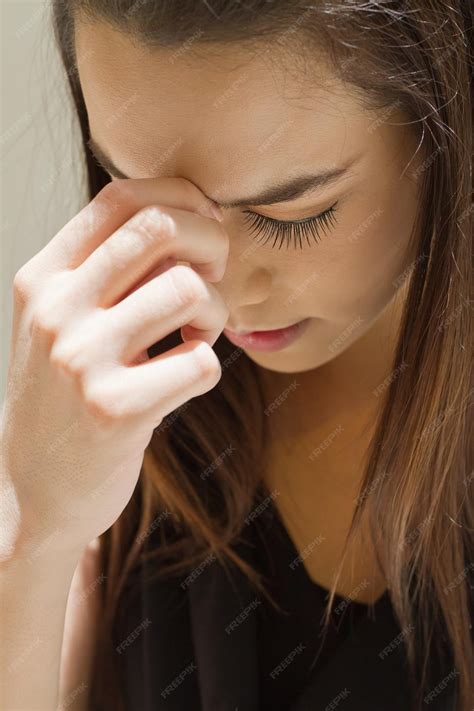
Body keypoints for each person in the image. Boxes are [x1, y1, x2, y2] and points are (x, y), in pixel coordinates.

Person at [1, 1, 472, 710]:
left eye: (293, 216)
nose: (218, 288)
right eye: (149, 200)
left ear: (445, 111)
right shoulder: (123, 421)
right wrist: (36, 527)